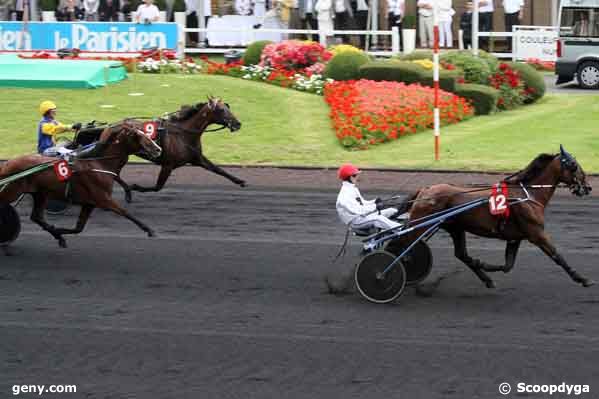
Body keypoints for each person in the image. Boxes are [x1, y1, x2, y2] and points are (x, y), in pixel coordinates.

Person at [336, 164, 402, 233]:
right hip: (356, 222)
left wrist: (374, 201)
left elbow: (362, 203)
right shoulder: (345, 195)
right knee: (378, 219)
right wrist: (375, 206)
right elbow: (359, 210)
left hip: (362, 217)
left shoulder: (352, 189)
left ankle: (396, 227)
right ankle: (401, 229)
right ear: (349, 177)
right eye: (355, 175)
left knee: (392, 211)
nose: (357, 177)